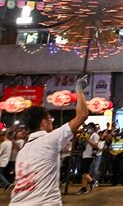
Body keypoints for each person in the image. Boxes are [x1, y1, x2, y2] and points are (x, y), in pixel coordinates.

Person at [10, 75, 89, 206]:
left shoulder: (23, 151)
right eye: (50, 119)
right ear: (43, 122)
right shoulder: (49, 140)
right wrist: (79, 90)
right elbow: (82, 115)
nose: (52, 121)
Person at [76, 123, 99, 194]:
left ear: (92, 128)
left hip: (89, 155)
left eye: (89, 128)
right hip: (84, 155)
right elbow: (80, 143)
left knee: (83, 172)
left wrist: (88, 140)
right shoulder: (86, 134)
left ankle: (93, 181)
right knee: (85, 172)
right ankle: (84, 188)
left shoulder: (95, 135)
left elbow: (96, 145)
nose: (87, 129)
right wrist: (81, 137)